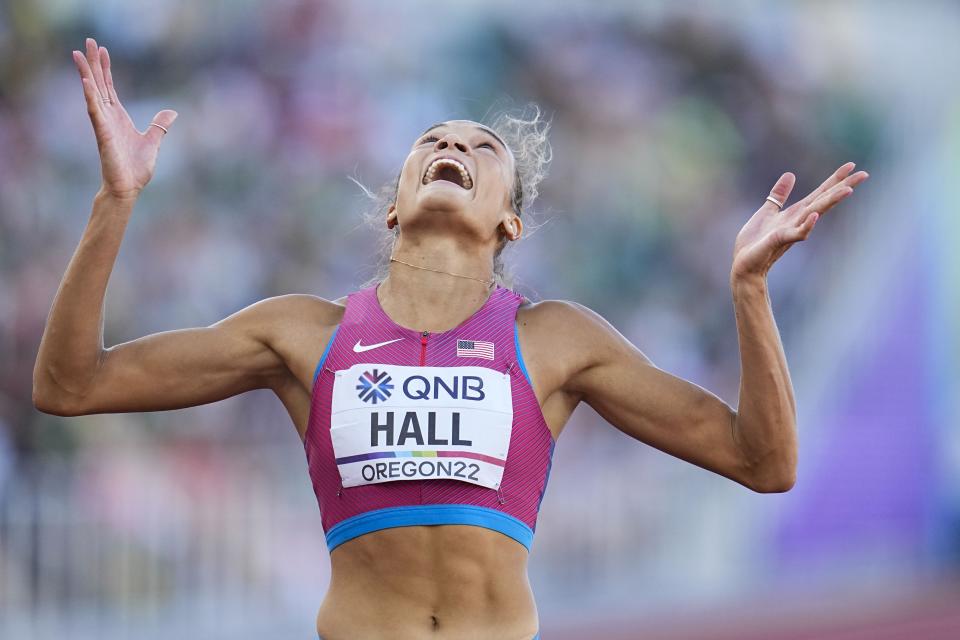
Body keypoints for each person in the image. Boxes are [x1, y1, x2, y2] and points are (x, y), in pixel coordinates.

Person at [33, 38, 869, 640]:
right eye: (431, 140)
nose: (450, 145)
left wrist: (749, 291)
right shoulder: (301, 334)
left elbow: (766, 462)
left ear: (510, 217)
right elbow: (70, 386)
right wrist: (116, 203)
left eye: (481, 146)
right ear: (394, 203)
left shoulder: (557, 341)